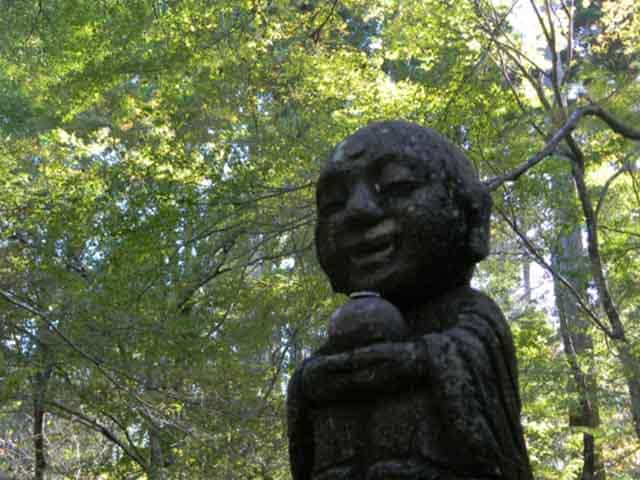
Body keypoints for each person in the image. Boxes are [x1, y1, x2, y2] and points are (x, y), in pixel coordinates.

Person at [287, 120, 533, 480]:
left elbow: (474, 371)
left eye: (397, 186)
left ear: (473, 215)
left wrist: (415, 361)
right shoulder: (343, 336)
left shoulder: (465, 312)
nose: (358, 210)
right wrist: (310, 382)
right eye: (334, 202)